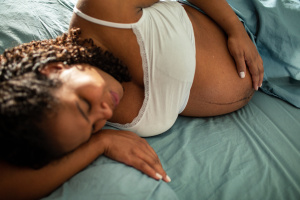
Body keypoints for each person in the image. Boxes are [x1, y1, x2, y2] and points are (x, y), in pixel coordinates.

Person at [0, 0, 264, 199]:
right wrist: (99, 143)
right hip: (274, 83)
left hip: (253, 19)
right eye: (93, 127)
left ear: (53, 70)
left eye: (84, 105)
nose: (103, 113)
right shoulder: (73, 128)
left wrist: (235, 29)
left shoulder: (102, 10)